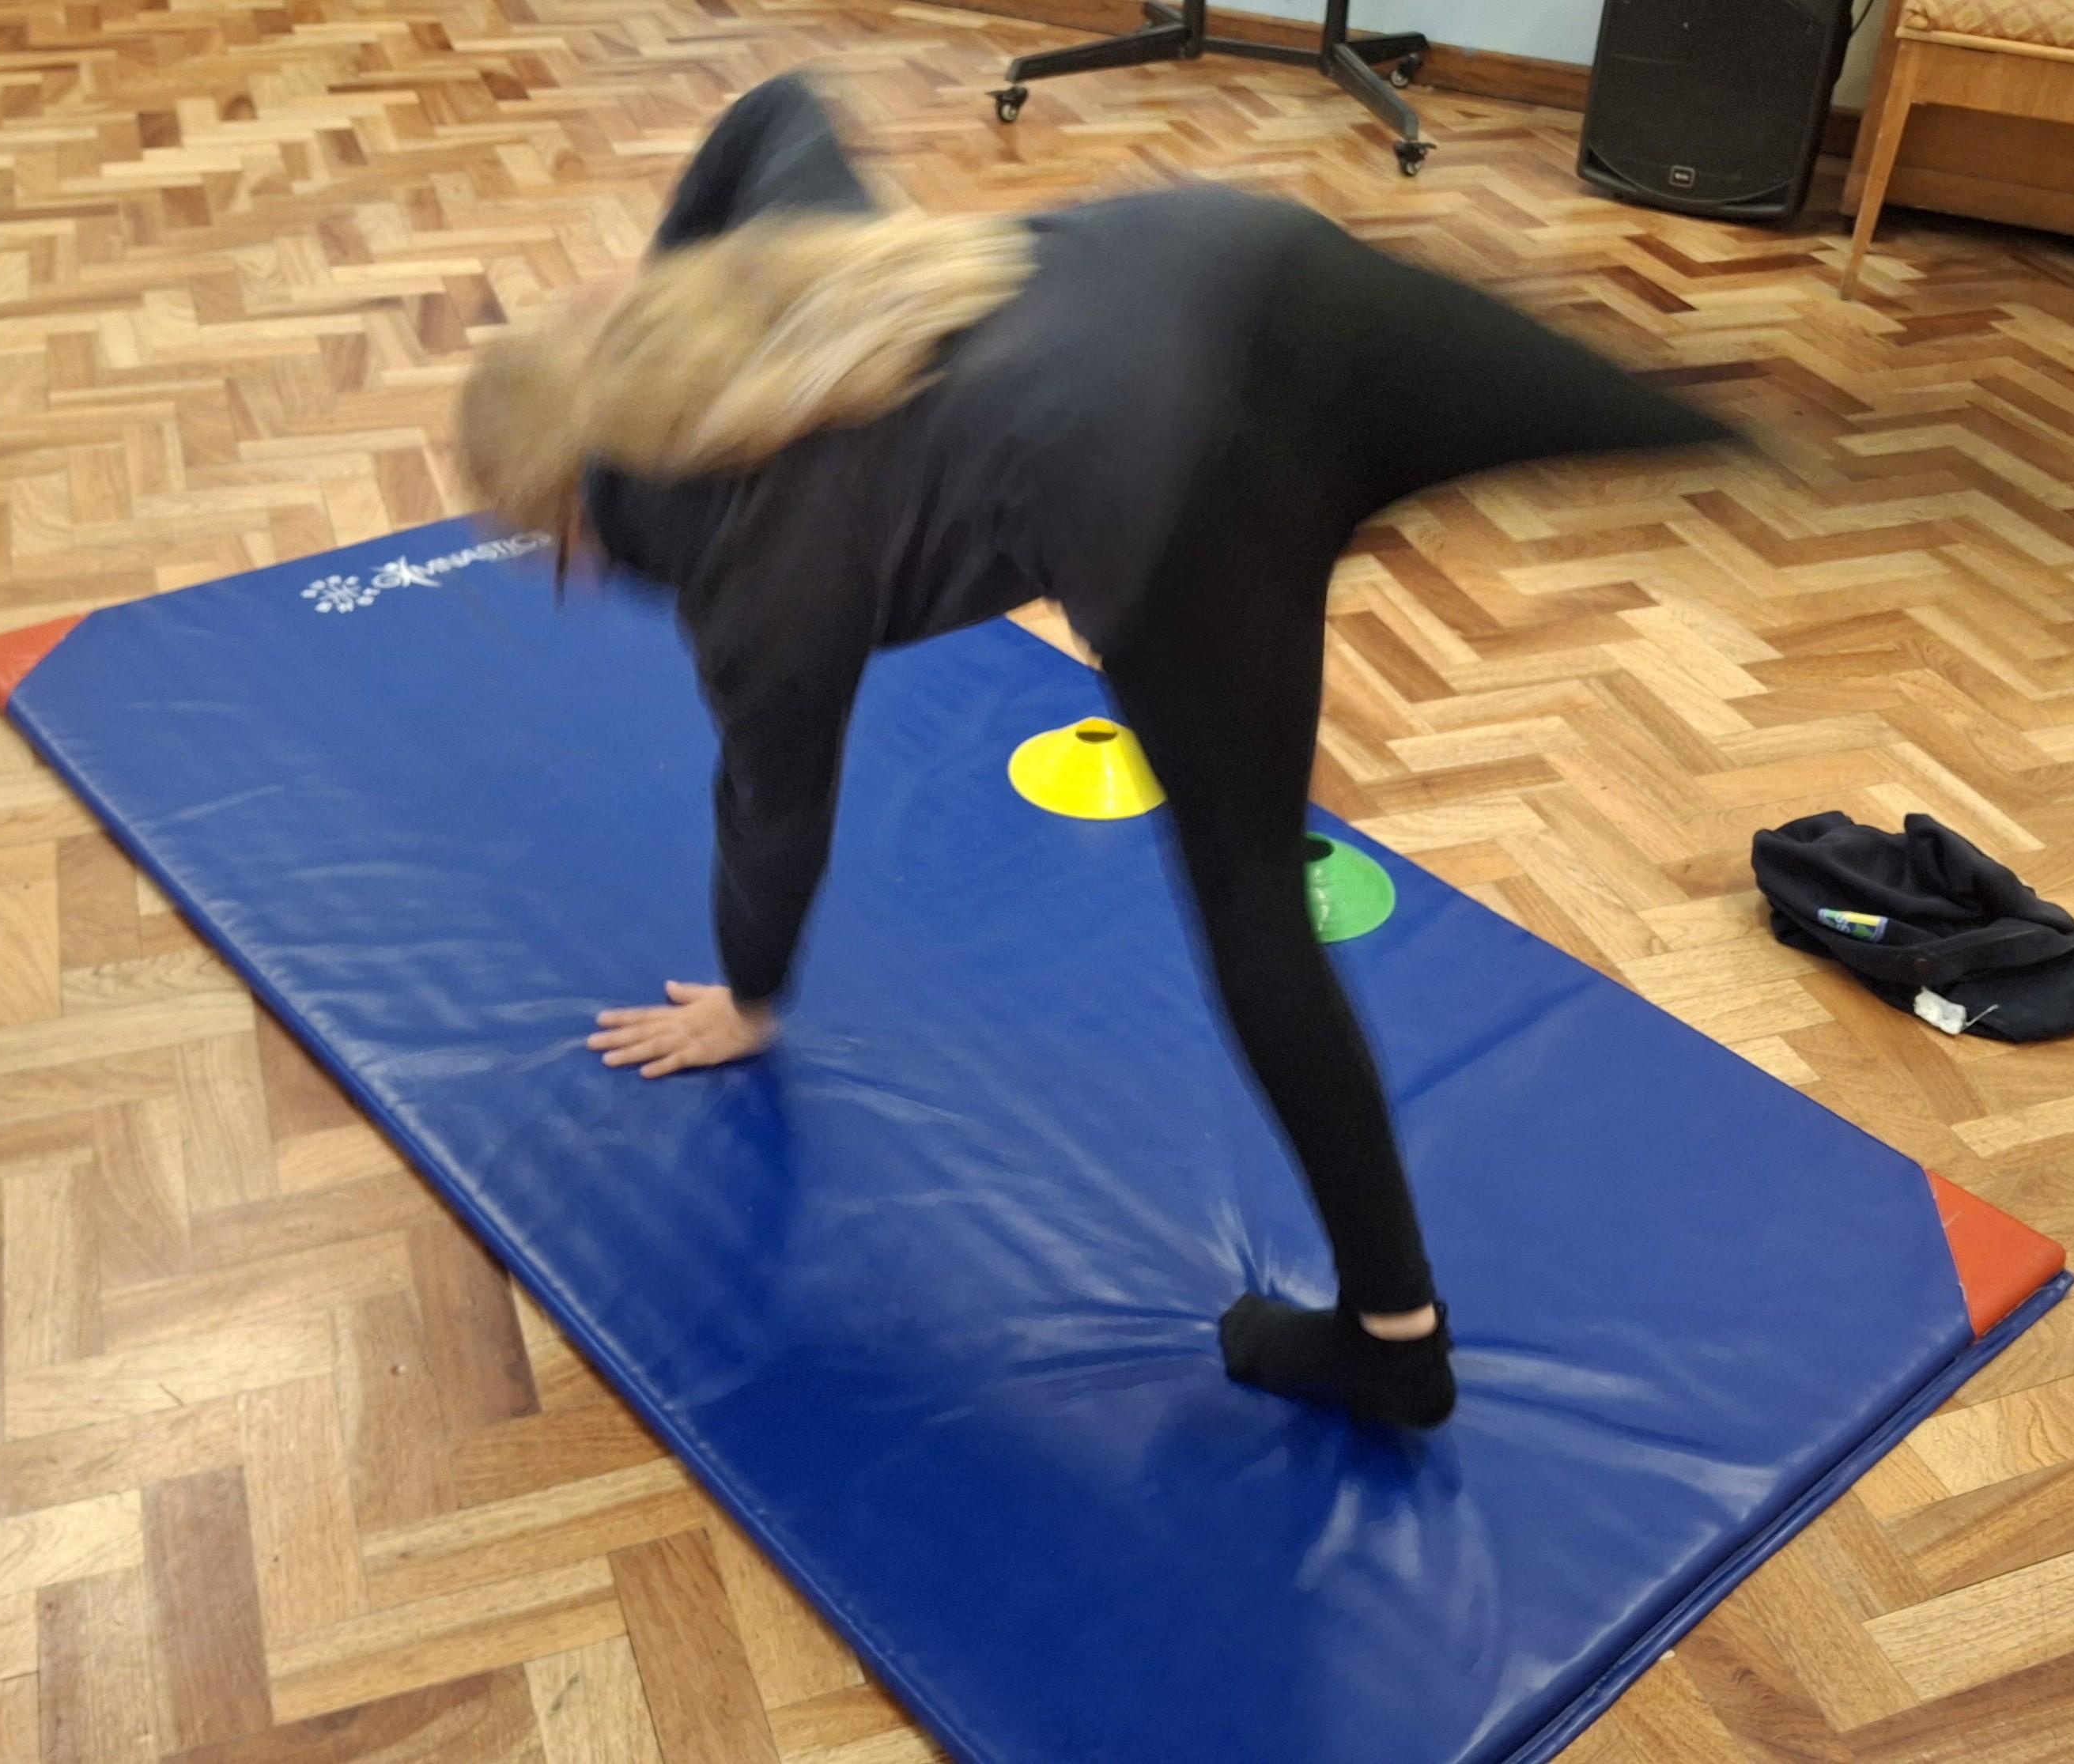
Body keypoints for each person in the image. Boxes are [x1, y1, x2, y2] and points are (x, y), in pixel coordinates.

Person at [458, 74, 1734, 1428]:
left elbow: (775, 807)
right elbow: (776, 108)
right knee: (1713, 426)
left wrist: (752, 995)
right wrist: (669, 273)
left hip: (1171, 468)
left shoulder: (752, 583)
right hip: (1255, 266)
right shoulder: (801, 258)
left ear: (580, 510)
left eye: (548, 539)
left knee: (1250, 892)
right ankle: (1794, 433)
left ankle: (1394, 1342)